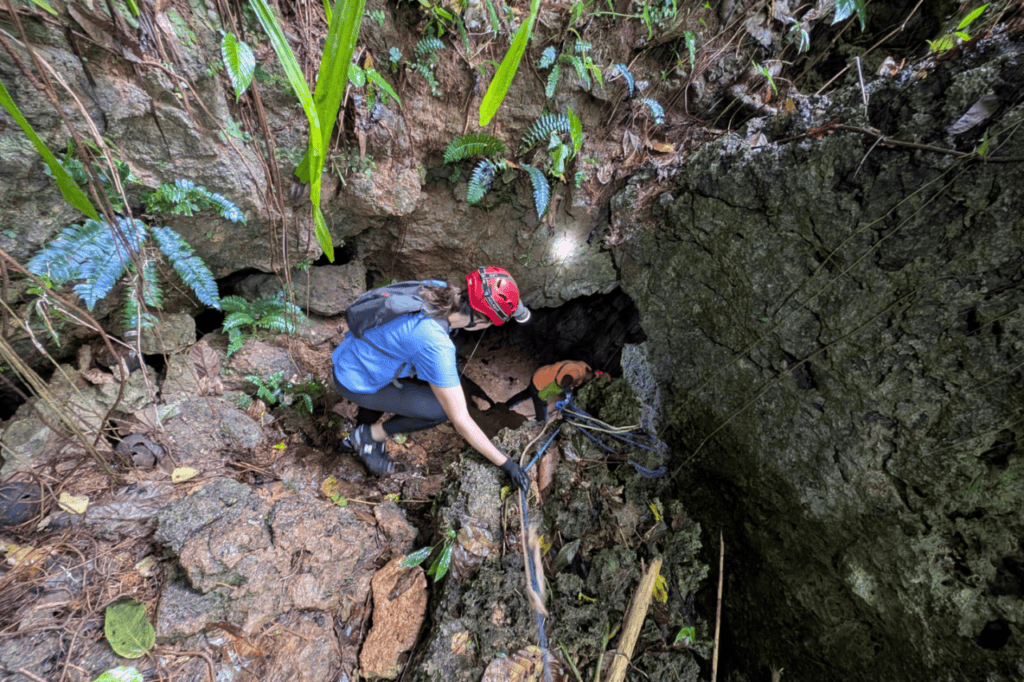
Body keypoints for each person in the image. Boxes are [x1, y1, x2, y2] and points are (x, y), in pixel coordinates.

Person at [332, 266, 532, 490]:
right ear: (481, 320)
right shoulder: (435, 344)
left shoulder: (438, 289)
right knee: (439, 409)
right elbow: (461, 420)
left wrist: (517, 309)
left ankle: (362, 429)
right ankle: (368, 437)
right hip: (356, 380)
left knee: (426, 382)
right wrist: (507, 464)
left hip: (351, 355)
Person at [498, 360, 603, 422]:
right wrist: (567, 394)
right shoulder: (574, 372)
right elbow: (561, 383)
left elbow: (597, 373)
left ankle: (504, 406)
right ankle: (529, 429)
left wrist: (603, 374)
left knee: (526, 394)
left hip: (540, 374)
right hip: (541, 384)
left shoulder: (586, 367)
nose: (582, 385)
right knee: (542, 418)